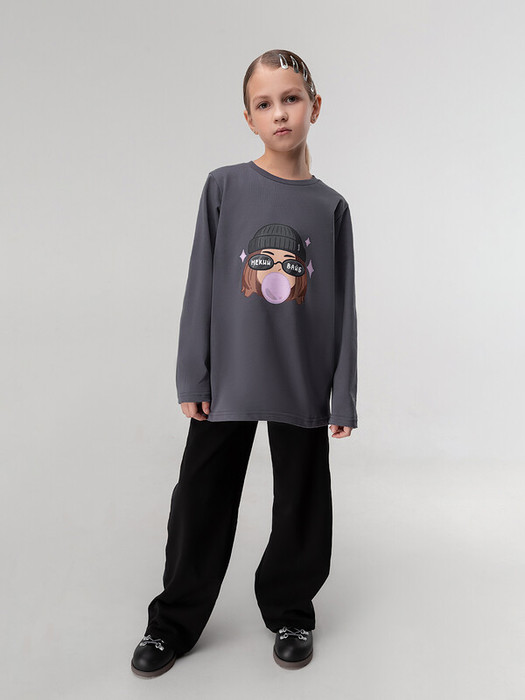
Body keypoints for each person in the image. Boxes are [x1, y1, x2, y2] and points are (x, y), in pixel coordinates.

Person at [131, 48, 358, 677]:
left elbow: (344, 305)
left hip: (303, 377)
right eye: (265, 104)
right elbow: (201, 281)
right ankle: (172, 622)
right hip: (229, 377)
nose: (279, 113)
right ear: (249, 118)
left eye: (291, 99)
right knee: (201, 498)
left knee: (303, 502)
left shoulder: (332, 207)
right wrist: (193, 371)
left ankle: (291, 610)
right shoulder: (224, 187)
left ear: (315, 106)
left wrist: (343, 391)